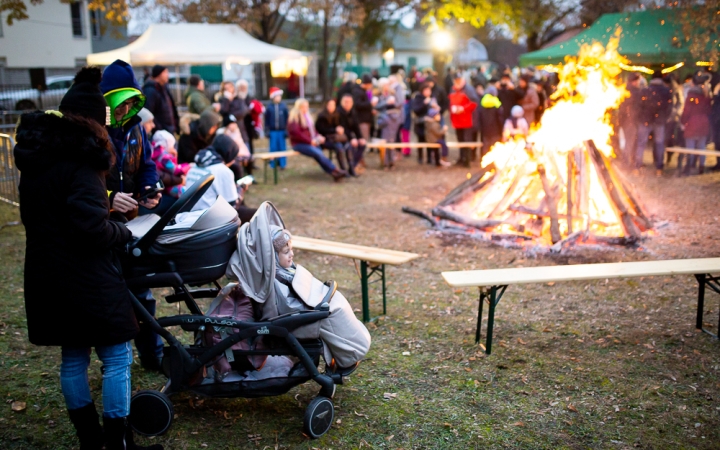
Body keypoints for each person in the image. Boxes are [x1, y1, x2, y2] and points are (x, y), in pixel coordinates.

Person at [14, 66, 162, 450]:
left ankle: (89, 441)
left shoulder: (37, 157)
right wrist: (122, 229)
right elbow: (90, 229)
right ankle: (116, 442)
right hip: (85, 275)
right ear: (95, 122)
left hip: (47, 272)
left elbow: (52, 216)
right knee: (116, 357)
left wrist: (105, 211)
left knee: (73, 357)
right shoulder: (85, 160)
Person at [99, 60, 166, 374]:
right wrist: (110, 199)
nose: (126, 108)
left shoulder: (138, 126)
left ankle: (153, 357)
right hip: (101, 225)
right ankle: (114, 362)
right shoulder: (95, 131)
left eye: (130, 101)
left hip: (133, 223)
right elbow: (82, 181)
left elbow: (147, 165)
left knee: (142, 290)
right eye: (120, 102)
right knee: (111, 296)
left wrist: (150, 187)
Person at [287, 98, 347, 181]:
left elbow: (313, 130)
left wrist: (318, 136)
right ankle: (335, 170)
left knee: (319, 155)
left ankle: (334, 173)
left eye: (307, 106)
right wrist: (310, 141)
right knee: (318, 153)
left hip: (311, 142)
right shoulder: (295, 118)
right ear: (298, 107)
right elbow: (297, 134)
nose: (306, 109)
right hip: (299, 144)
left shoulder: (307, 117)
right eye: (303, 107)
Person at [635, 71, 672, 176]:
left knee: (641, 144)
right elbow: (669, 106)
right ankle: (659, 168)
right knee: (659, 144)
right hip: (659, 121)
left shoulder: (645, 90)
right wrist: (665, 118)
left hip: (645, 120)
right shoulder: (666, 91)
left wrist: (641, 117)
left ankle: (637, 168)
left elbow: (639, 106)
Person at [680, 73, 711, 175]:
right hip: (704, 122)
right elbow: (709, 109)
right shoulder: (707, 94)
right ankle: (701, 166)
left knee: (690, 146)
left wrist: (683, 121)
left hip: (692, 122)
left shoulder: (692, 94)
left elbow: (687, 109)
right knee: (701, 146)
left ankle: (689, 166)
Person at [316, 98, 354, 175]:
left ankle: (351, 168)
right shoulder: (322, 116)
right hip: (326, 140)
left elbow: (341, 126)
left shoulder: (337, 115)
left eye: (333, 105)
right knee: (339, 146)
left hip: (337, 139)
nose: (331, 107)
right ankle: (343, 169)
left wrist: (340, 129)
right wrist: (334, 130)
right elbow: (321, 129)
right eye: (330, 105)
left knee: (348, 146)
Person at [448, 73, 479, 167]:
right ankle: (461, 158)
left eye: (459, 80)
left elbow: (474, 103)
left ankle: (467, 160)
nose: (457, 82)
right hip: (457, 120)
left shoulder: (469, 89)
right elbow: (450, 102)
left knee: (466, 140)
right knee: (460, 139)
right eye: (456, 80)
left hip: (467, 120)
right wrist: (452, 109)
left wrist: (463, 109)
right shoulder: (452, 89)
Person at [374, 76, 405, 169]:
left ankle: (391, 162)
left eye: (387, 84)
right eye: (385, 85)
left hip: (393, 120)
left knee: (392, 140)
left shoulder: (393, 93)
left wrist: (393, 103)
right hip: (383, 120)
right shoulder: (379, 95)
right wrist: (386, 102)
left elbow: (399, 104)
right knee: (384, 141)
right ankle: (385, 162)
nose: (386, 86)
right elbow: (377, 107)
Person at [151, 130, 189, 202]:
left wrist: (174, 156)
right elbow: (176, 170)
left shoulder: (153, 150)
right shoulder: (164, 156)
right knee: (188, 193)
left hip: (162, 185)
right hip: (167, 187)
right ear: (167, 143)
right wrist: (189, 166)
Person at [142, 64, 178, 134]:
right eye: (165, 72)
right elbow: (149, 112)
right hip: (161, 133)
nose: (168, 75)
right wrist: (160, 129)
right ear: (159, 74)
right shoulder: (150, 90)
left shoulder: (164, 89)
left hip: (169, 130)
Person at [338, 94, 368, 174]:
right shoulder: (339, 112)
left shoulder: (353, 112)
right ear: (342, 102)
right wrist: (351, 138)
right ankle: (351, 167)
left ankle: (353, 165)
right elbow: (343, 128)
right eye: (346, 102)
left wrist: (360, 137)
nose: (347, 104)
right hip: (342, 137)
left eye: (349, 102)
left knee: (362, 144)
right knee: (352, 146)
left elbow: (356, 127)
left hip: (350, 136)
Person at [618, 73, 642, 167]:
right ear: (634, 81)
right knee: (630, 142)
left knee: (629, 142)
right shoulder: (635, 92)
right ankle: (626, 162)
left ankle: (628, 161)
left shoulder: (623, 90)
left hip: (624, 120)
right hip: (631, 121)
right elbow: (637, 107)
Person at [475, 85, 504, 159]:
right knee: (495, 147)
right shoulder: (497, 104)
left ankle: (485, 163)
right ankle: (494, 164)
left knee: (486, 147)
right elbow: (500, 119)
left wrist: (480, 127)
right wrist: (502, 129)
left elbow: (479, 117)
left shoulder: (482, 102)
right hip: (495, 130)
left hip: (485, 130)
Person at [265, 87, 289, 169]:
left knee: (282, 147)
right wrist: (267, 131)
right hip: (273, 131)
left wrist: (287, 130)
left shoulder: (283, 107)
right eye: (277, 96)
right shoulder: (269, 108)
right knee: (273, 148)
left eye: (279, 96)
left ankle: (283, 164)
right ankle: (273, 163)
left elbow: (287, 119)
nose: (279, 98)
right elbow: (266, 121)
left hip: (282, 131)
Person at [411, 82, 435, 164]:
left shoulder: (431, 99)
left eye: (430, 90)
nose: (429, 92)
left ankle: (429, 158)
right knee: (420, 141)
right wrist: (424, 104)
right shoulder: (418, 98)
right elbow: (416, 110)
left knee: (429, 140)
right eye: (427, 90)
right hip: (420, 124)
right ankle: (420, 158)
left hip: (429, 125)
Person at [351, 73, 376, 147]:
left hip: (366, 118)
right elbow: (358, 105)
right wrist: (370, 104)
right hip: (361, 119)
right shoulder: (357, 91)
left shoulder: (363, 91)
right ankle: (359, 156)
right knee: (362, 139)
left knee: (365, 139)